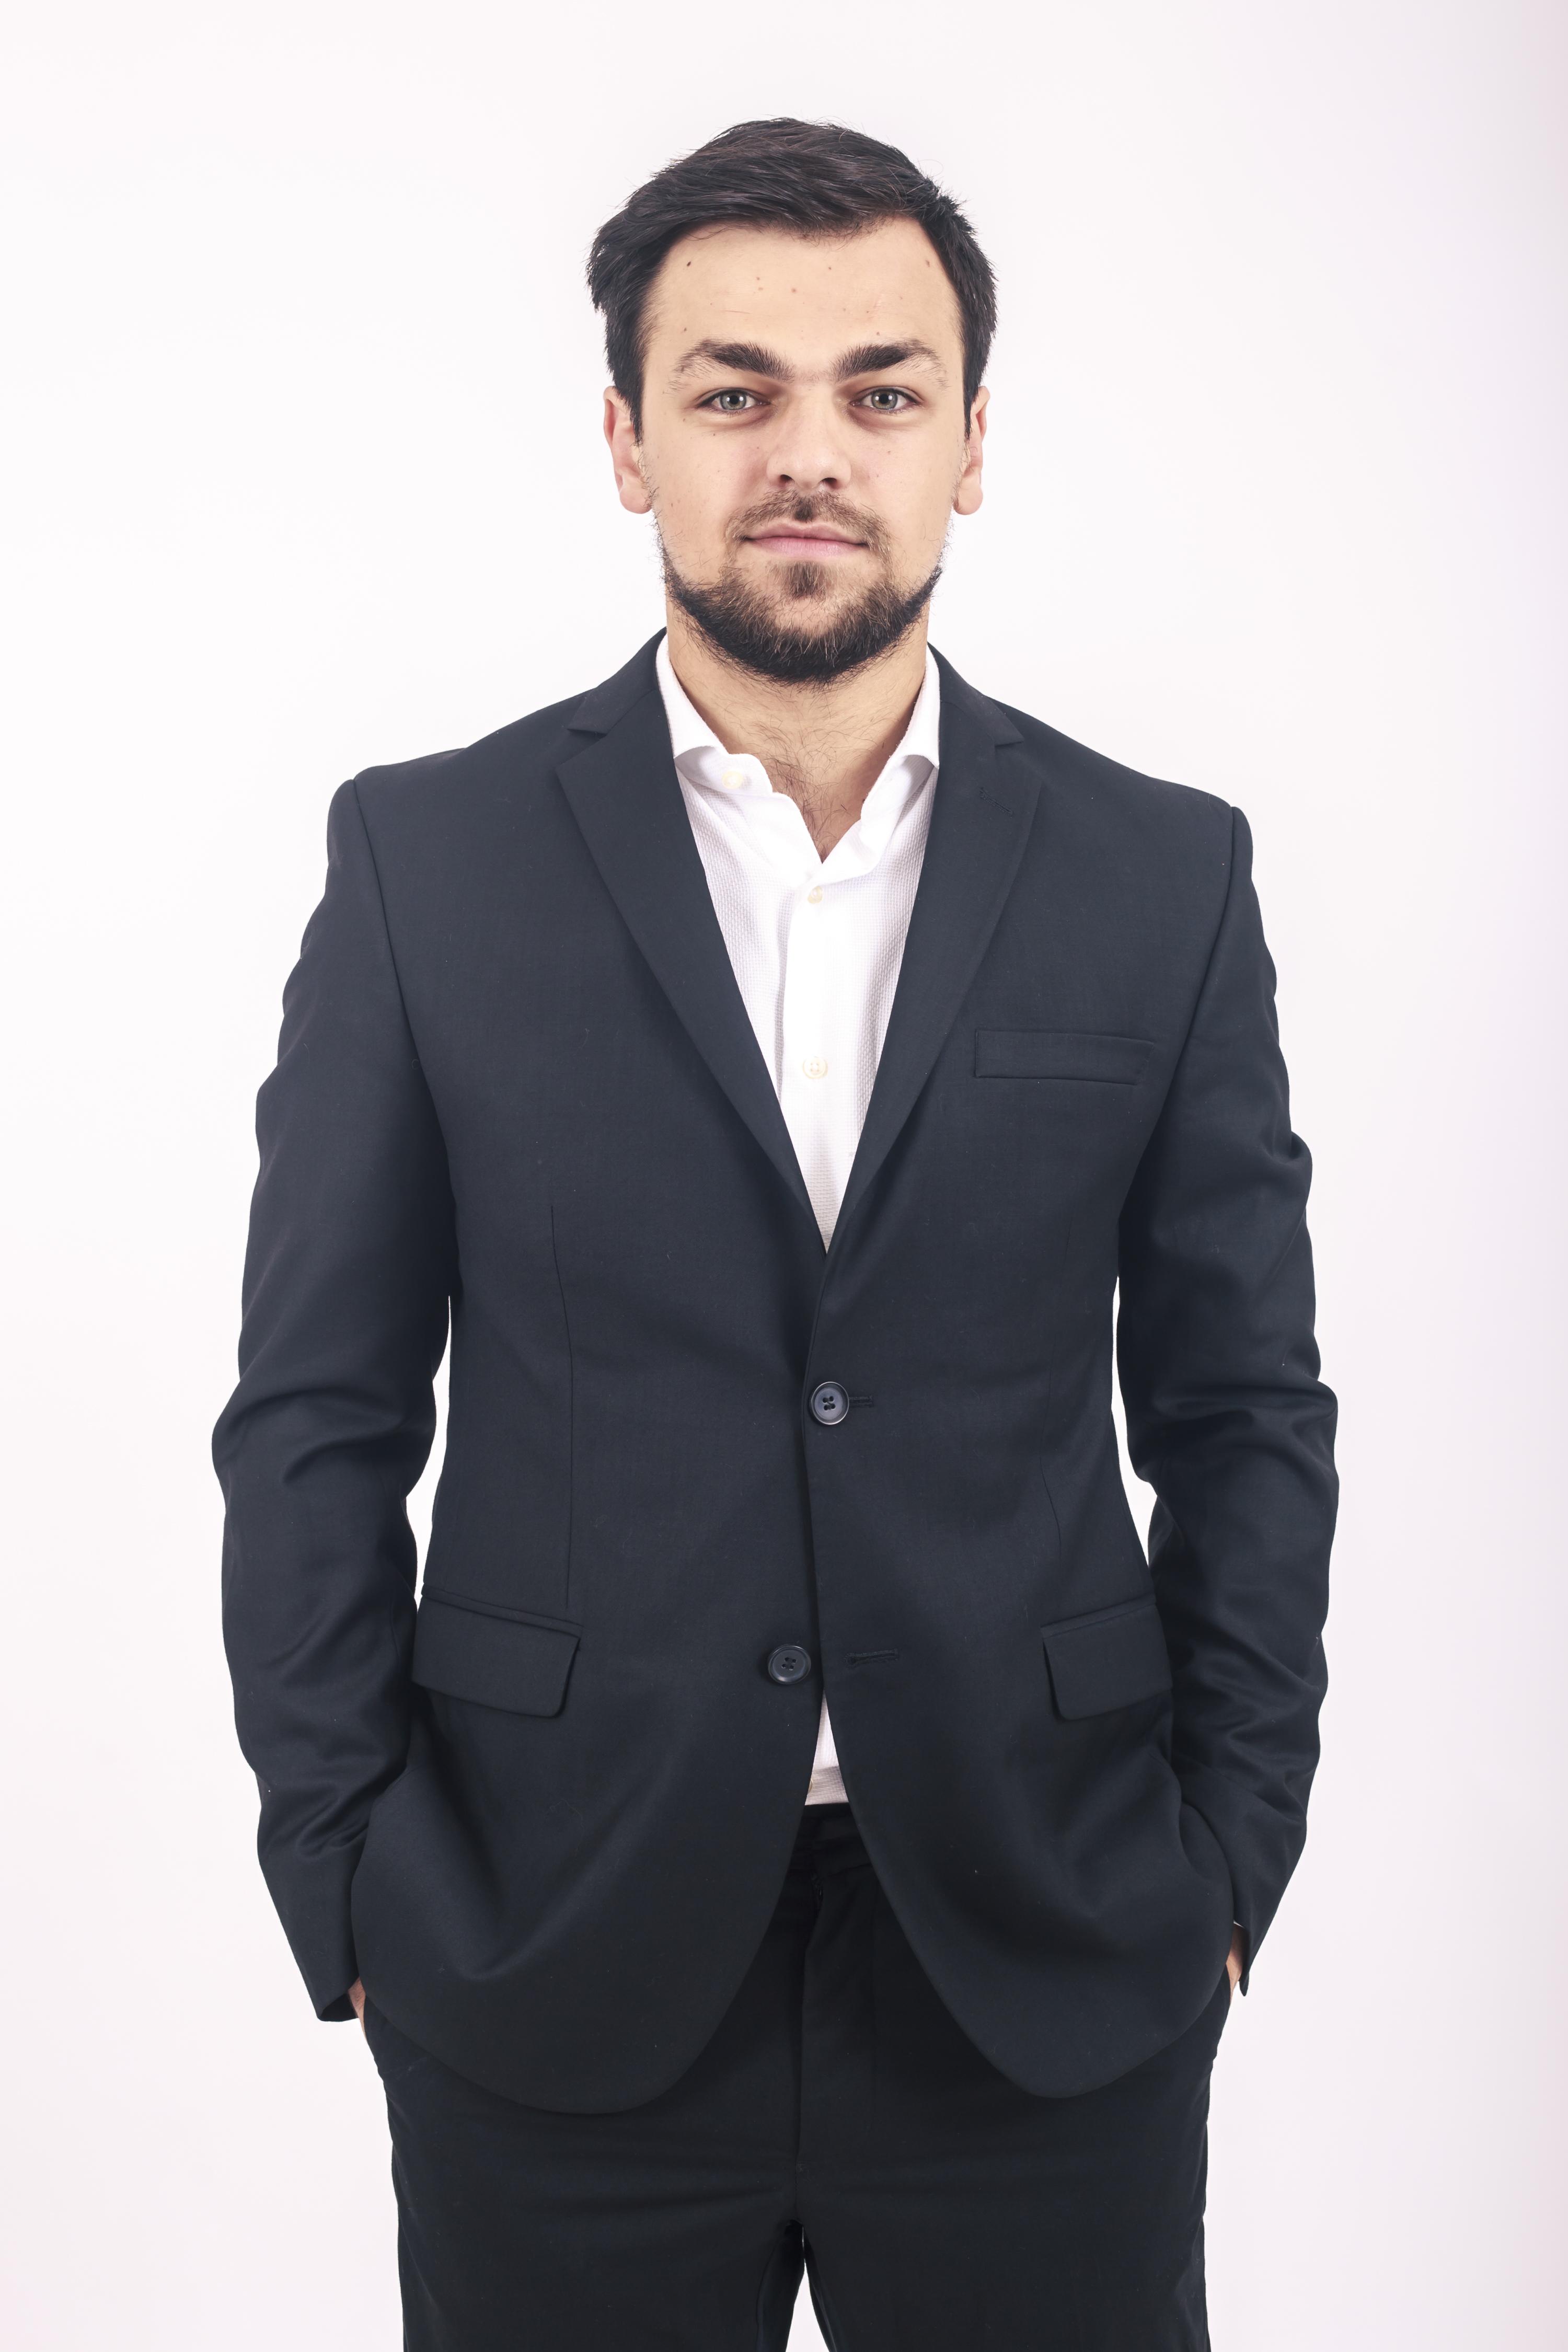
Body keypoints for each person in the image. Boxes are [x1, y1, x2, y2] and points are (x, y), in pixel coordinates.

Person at [215, 117, 1336, 2352]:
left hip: (1046, 1950)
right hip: (548, 1945)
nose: (807, 453)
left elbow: (1243, 1412)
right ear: (629, 439)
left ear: (971, 444)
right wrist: (345, 1867)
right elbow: (318, 1412)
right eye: (734, 391)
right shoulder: (428, 867)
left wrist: (1225, 1856)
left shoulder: (1163, 876)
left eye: (878, 391)